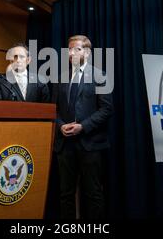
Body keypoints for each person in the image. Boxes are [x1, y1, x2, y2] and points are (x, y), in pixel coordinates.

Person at [54, 35, 113, 219]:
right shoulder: (61, 77)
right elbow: (53, 110)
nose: (71, 53)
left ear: (87, 52)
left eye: (77, 49)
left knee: (93, 194)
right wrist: (60, 126)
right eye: (69, 49)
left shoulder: (100, 75)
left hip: (90, 144)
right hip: (65, 145)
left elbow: (106, 109)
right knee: (65, 194)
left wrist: (83, 126)